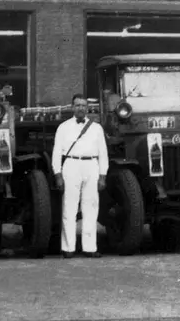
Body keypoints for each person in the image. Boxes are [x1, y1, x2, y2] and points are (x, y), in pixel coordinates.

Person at [51, 94, 109, 258]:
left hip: (91, 166)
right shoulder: (63, 127)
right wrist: (58, 174)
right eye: (77, 105)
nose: (81, 108)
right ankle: (68, 248)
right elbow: (56, 153)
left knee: (90, 208)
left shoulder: (97, 128)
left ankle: (90, 248)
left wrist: (103, 175)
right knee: (69, 207)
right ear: (72, 107)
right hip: (71, 165)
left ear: (87, 108)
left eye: (83, 105)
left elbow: (103, 154)